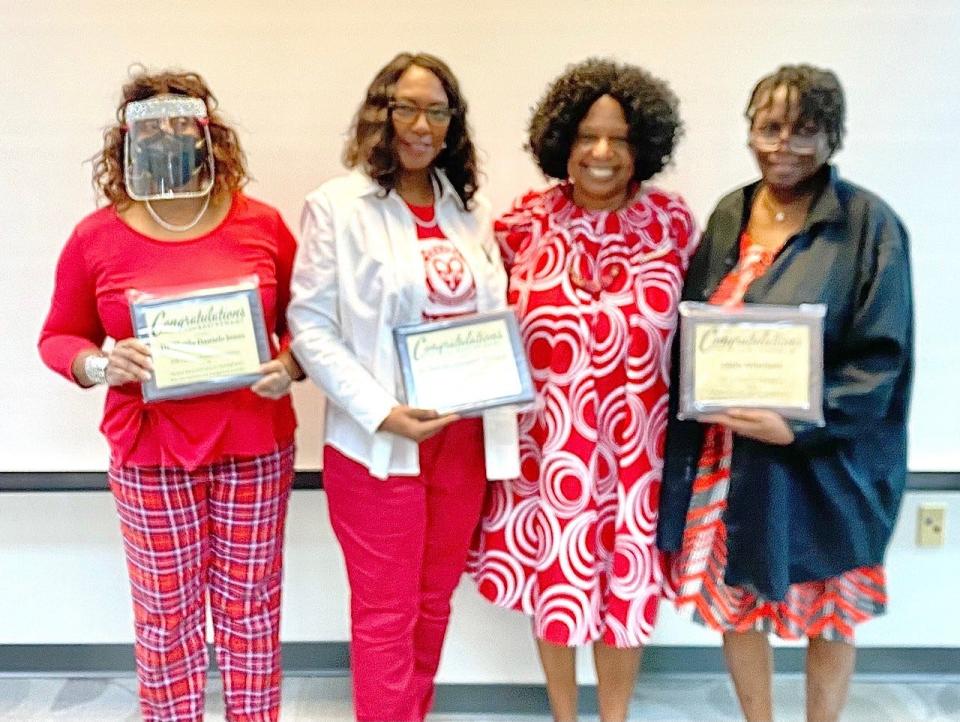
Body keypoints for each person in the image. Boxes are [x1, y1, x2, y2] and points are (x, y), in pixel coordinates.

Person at [38, 69, 300, 722]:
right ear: (126, 141)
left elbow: (308, 322)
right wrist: (101, 365)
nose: (169, 135)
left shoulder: (260, 224)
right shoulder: (96, 237)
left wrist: (291, 364)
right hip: (149, 451)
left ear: (210, 133)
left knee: (252, 611)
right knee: (165, 616)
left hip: (254, 446)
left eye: (183, 122)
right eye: (151, 126)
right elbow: (58, 337)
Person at [656, 64, 913, 722]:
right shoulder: (729, 213)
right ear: (750, 132)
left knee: (831, 613)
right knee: (738, 604)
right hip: (733, 458)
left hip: (828, 464)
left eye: (805, 131)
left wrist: (798, 423)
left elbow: (882, 359)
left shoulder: (867, 225)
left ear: (833, 137)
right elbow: (694, 329)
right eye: (769, 129)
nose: (784, 145)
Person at [287, 52, 519, 722]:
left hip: (462, 439)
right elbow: (310, 324)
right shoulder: (337, 205)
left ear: (453, 123)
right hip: (378, 444)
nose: (422, 124)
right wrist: (381, 411)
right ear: (380, 114)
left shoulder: (469, 210)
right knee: (386, 613)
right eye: (408, 107)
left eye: (438, 110)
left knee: (432, 603)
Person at [469, 58, 698, 722]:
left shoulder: (675, 227)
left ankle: (614, 718)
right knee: (557, 588)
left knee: (625, 596)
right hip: (549, 457)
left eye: (621, 138)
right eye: (587, 136)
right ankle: (565, 716)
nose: (602, 153)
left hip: (639, 460)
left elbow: (713, 325)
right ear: (561, 141)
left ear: (643, 147)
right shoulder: (520, 227)